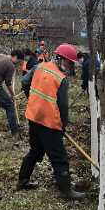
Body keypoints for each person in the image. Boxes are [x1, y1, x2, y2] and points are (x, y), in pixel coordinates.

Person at [17, 43, 85, 201]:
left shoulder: (39, 67)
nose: (70, 67)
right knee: (59, 157)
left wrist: (33, 100)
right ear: (61, 59)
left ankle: (23, 180)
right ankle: (66, 191)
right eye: (69, 63)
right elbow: (63, 106)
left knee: (35, 150)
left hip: (33, 116)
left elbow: (24, 82)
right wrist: (63, 125)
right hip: (49, 123)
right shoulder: (61, 79)